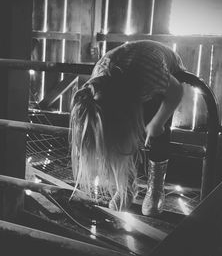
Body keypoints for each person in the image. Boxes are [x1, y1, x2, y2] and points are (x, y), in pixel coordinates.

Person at [69, 40, 185, 215]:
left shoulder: (149, 75)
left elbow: (175, 91)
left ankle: (155, 190)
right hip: (128, 86)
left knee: (157, 132)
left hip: (163, 74)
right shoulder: (96, 84)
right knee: (118, 137)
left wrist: (158, 122)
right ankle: (126, 187)